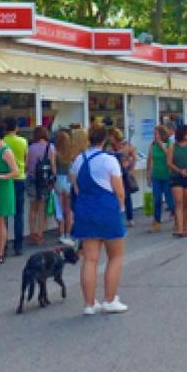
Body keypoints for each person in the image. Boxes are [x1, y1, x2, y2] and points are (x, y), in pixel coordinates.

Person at [71, 125, 128, 314]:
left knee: (90, 259)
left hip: (86, 211)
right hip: (107, 209)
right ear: (105, 140)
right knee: (116, 256)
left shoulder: (79, 160)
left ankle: (89, 303)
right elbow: (119, 190)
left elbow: (76, 187)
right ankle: (110, 299)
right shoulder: (109, 160)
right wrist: (119, 207)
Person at [0, 123, 20, 263]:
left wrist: (1, 176)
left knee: (0, 221)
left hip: (3, 188)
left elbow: (16, 171)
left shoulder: (6, 151)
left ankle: (0, 252)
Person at [25, 125, 57, 246]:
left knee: (33, 208)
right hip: (44, 180)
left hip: (32, 178)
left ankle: (32, 232)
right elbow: (53, 166)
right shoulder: (51, 147)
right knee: (42, 208)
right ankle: (40, 233)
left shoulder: (31, 147)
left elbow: (27, 165)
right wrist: (53, 179)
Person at [2, 118, 28, 256]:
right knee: (19, 214)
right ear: (16, 128)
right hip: (20, 177)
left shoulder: (3, 141)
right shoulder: (23, 141)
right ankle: (18, 246)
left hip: (6, 179)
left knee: (5, 214)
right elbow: (25, 159)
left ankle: (3, 244)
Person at [107, 128, 137, 228]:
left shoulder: (125, 145)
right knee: (114, 196)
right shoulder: (109, 147)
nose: (109, 138)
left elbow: (134, 156)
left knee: (126, 196)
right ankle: (116, 217)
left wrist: (131, 168)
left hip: (124, 173)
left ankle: (129, 218)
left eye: (110, 136)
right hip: (113, 174)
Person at [146, 125, 175, 232]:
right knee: (157, 199)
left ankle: (177, 218)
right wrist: (148, 175)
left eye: (156, 133)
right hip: (156, 176)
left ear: (162, 134)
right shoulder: (152, 145)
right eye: (154, 134)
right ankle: (156, 222)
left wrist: (162, 146)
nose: (154, 136)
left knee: (169, 199)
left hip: (167, 176)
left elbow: (170, 156)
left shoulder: (169, 144)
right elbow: (149, 160)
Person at [54, 129, 76, 245]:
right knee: (69, 210)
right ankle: (68, 234)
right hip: (68, 181)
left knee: (59, 209)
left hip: (58, 180)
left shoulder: (55, 153)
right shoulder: (71, 154)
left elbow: (54, 169)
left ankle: (61, 234)